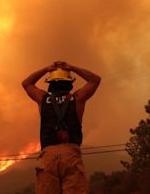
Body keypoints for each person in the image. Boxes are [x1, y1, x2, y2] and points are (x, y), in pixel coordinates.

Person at [22, 61, 101, 194]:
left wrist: (46, 69)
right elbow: (95, 80)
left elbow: (27, 83)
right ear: (69, 83)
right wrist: (73, 67)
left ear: (50, 84)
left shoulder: (42, 98)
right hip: (71, 155)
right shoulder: (77, 98)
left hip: (48, 156)